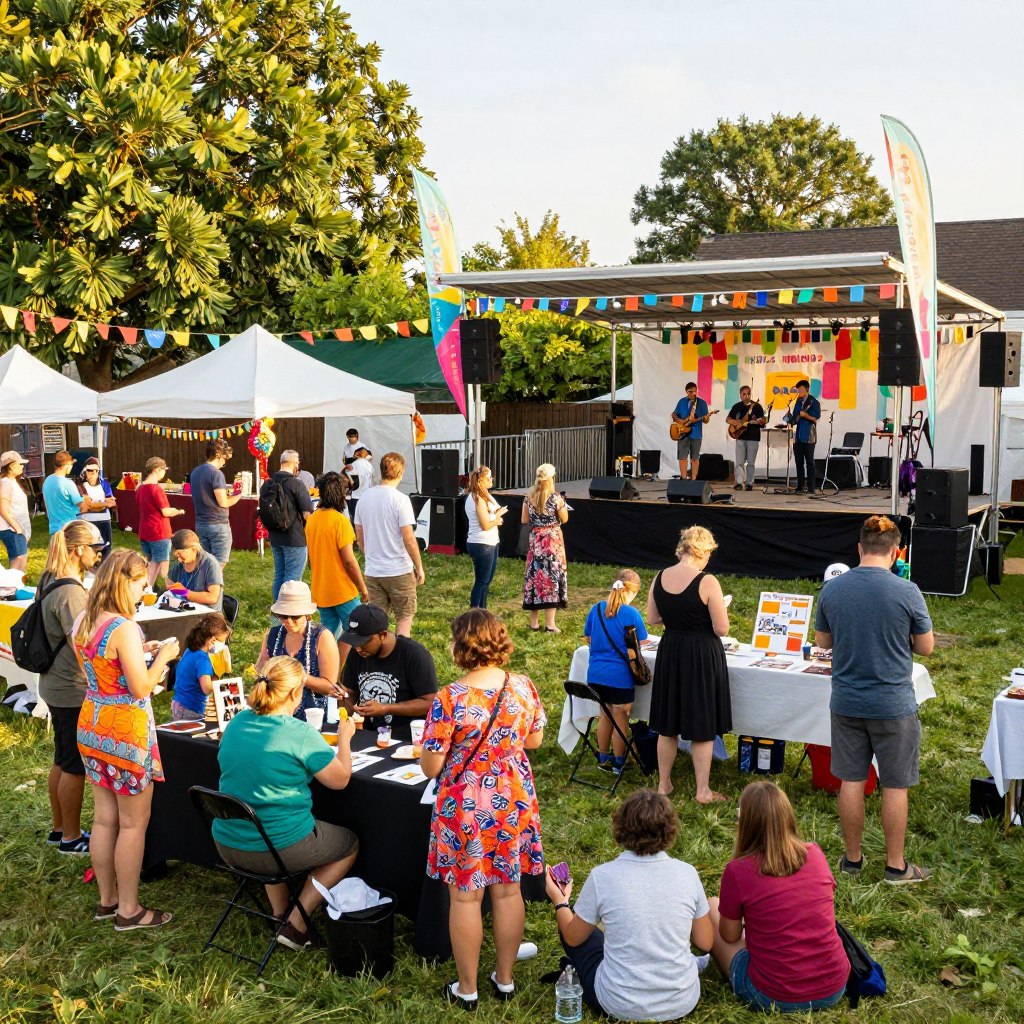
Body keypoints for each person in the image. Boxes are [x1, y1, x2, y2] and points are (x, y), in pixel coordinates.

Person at [420, 610, 546, 1009]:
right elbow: (536, 740)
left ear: (462, 646)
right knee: (509, 891)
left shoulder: (450, 698)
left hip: (466, 802)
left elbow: (431, 766)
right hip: (512, 796)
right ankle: (504, 980)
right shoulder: (524, 686)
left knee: (465, 898)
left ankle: (467, 988)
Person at [815, 514, 934, 884]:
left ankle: (852, 861)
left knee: (851, 780)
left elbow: (822, 642)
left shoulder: (832, 589)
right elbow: (926, 648)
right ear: (897, 551)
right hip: (893, 704)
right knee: (894, 784)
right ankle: (895, 866)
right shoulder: (907, 591)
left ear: (859, 549)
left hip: (847, 700)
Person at [213, 656, 359, 951]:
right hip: (274, 847)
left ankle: (279, 915)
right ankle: (296, 923)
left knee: (265, 822)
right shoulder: (299, 733)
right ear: (295, 693)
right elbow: (340, 780)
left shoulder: (237, 721)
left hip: (227, 843)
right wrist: (345, 738)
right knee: (349, 845)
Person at [74, 549, 179, 930]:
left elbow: (102, 666)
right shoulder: (124, 627)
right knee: (133, 824)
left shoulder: (84, 619)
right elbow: (141, 686)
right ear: (124, 582)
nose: (144, 590)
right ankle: (130, 910)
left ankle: (108, 900)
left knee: (104, 819)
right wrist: (163, 656)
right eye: (140, 584)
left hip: (92, 721)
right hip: (125, 730)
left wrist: (142, 653)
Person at [547, 789, 713, 1021]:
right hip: (682, 1001)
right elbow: (705, 941)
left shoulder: (602, 876)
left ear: (621, 827)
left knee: (585, 935)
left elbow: (573, 937)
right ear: (670, 829)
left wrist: (560, 902)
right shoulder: (687, 873)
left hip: (617, 1003)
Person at [708, 781, 849, 1013]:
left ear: (745, 822)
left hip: (773, 994)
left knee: (713, 905)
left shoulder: (738, 870)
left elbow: (729, 935)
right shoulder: (814, 852)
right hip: (834, 986)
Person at [648, 526, 731, 802]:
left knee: (667, 722)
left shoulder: (659, 576)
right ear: (703, 551)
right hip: (700, 652)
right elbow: (722, 628)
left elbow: (653, 618)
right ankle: (702, 790)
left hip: (671, 649)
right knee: (702, 722)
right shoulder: (707, 581)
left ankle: (663, 784)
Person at [37, 520, 104, 854]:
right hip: (71, 689)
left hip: (53, 684)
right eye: (95, 548)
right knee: (75, 766)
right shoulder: (71, 592)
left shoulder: (50, 578)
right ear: (78, 550)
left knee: (61, 759)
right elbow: (83, 648)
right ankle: (71, 838)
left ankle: (59, 828)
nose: (98, 554)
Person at [340, 603, 438, 740]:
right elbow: (351, 693)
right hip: (368, 736)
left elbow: (430, 702)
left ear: (383, 635)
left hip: (405, 739)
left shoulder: (414, 655)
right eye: (354, 642)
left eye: (364, 641)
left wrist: (386, 708)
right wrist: (342, 698)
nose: (358, 648)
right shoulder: (358, 652)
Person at [584, 570, 649, 773]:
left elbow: (589, 638)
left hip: (595, 675)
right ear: (635, 591)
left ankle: (603, 757)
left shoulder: (596, 609)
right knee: (621, 716)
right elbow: (642, 641)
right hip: (619, 677)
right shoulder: (631, 614)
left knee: (604, 715)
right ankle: (619, 761)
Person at [353, 452, 424, 637]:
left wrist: (368, 553)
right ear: (401, 472)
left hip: (374, 571)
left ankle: (378, 659)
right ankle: (401, 658)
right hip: (399, 570)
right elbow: (409, 538)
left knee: (377, 622)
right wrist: (419, 566)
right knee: (404, 619)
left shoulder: (364, 498)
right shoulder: (401, 500)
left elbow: (359, 534)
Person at [256, 580, 342, 722]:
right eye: (283, 616)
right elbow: (260, 668)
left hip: (311, 718)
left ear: (307, 615)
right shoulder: (273, 635)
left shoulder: (322, 637)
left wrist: (294, 675)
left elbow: (329, 686)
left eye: (295, 616)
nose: (288, 621)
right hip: (276, 715)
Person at [305, 472, 368, 652]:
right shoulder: (340, 521)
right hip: (343, 591)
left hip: (321, 589)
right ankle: (339, 672)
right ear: (340, 493)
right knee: (357, 632)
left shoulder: (312, 519)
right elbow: (349, 560)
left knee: (327, 636)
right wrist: (362, 587)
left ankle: (326, 671)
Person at [521, 463, 569, 633]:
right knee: (551, 578)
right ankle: (550, 624)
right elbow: (565, 518)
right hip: (552, 541)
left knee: (535, 577)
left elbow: (524, 520)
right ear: (552, 478)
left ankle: (534, 622)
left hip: (536, 540)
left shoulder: (529, 497)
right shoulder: (555, 498)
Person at [262, 449, 314, 603]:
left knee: (280, 573)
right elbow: (307, 513)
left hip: (275, 536)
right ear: (295, 464)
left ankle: (277, 607)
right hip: (295, 538)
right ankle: (288, 609)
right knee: (292, 577)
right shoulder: (296, 483)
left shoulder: (267, 484)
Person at [170, 612, 232, 722]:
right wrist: (222, 684)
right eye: (222, 642)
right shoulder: (203, 660)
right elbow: (206, 688)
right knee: (190, 738)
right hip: (191, 709)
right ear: (213, 640)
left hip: (178, 703)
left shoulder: (191, 650)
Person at [135, 457, 185, 587]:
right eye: (164, 469)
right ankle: (152, 591)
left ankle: (149, 589)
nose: (165, 472)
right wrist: (178, 511)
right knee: (160, 565)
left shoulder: (140, 488)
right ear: (157, 469)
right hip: (159, 533)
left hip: (145, 531)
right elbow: (166, 512)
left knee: (149, 563)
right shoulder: (156, 489)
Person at [190, 439, 240, 567]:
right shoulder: (216, 474)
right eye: (225, 457)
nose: (225, 461)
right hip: (217, 524)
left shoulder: (195, 472)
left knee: (205, 562)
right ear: (218, 454)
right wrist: (238, 495)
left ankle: (203, 586)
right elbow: (223, 502)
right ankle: (213, 587)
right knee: (218, 564)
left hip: (200, 523)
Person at [465, 466, 505, 608]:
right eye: (489, 477)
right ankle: (475, 612)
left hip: (490, 542)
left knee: (486, 581)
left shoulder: (483, 495)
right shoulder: (477, 499)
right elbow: (485, 525)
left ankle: (482, 611)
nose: (492, 479)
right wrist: (497, 520)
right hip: (482, 544)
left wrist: (497, 514)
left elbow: (492, 511)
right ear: (481, 481)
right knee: (482, 581)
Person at [168, 529, 224, 611]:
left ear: (193, 549)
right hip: (186, 610)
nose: (179, 559)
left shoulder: (210, 564)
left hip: (207, 615)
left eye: (180, 554)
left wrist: (185, 593)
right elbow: (169, 582)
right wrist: (173, 589)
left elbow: (213, 598)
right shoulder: (182, 562)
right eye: (177, 556)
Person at [784, 380, 821, 495]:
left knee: (810, 462)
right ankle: (800, 486)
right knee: (799, 462)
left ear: (807, 389)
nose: (799, 392)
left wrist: (806, 415)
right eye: (798, 390)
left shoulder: (813, 401)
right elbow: (795, 416)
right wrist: (789, 417)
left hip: (809, 435)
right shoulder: (798, 401)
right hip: (798, 435)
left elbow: (816, 417)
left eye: (801, 389)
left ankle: (811, 487)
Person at [726, 386, 766, 491]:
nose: (746, 396)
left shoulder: (757, 407)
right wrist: (737, 423)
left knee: (751, 462)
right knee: (739, 462)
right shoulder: (736, 407)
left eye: (748, 393)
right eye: (744, 394)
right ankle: (739, 482)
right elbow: (728, 419)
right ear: (740, 395)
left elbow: (762, 420)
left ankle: (749, 483)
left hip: (753, 437)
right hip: (740, 436)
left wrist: (761, 421)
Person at [672, 382, 712, 480]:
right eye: (690, 392)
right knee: (682, 457)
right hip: (682, 433)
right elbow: (674, 414)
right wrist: (680, 421)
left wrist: (706, 417)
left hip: (696, 434)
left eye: (695, 391)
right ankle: (684, 478)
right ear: (686, 392)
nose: (693, 393)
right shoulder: (681, 401)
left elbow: (706, 421)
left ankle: (694, 480)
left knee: (695, 458)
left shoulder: (702, 403)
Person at [0, 450, 32, 573]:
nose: (22, 466)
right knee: (18, 568)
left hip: (15, 530)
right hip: (12, 530)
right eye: (20, 464)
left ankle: (13, 590)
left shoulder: (12, 482)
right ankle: (11, 591)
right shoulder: (6, 483)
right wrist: (18, 528)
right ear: (12, 466)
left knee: (19, 567)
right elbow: (2, 508)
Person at [43, 450, 88, 535]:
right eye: (71, 464)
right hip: (68, 528)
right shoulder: (68, 483)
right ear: (66, 465)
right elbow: (83, 507)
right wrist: (85, 499)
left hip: (53, 529)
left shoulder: (47, 480)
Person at [76, 457, 117, 549]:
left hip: (104, 520)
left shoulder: (104, 484)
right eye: (90, 470)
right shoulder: (80, 485)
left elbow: (112, 502)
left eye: (96, 470)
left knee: (106, 548)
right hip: (87, 521)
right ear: (85, 471)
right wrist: (104, 504)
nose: (93, 473)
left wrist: (96, 504)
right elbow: (89, 504)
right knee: (89, 549)